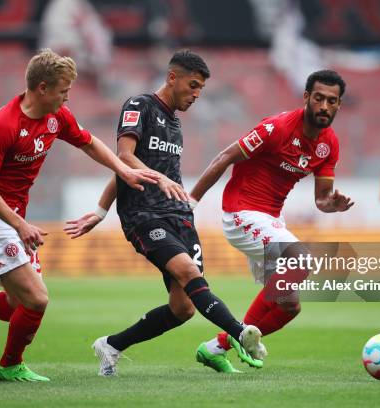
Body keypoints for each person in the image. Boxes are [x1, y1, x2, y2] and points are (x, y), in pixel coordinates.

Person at [0, 49, 160, 382]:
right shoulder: (2, 127)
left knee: (19, 306)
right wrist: (20, 224)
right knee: (37, 299)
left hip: (13, 218)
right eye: (62, 90)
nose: (67, 97)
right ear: (42, 88)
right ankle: (9, 365)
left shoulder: (57, 116)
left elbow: (88, 143)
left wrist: (122, 170)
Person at [65, 50, 266, 376]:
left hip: (179, 217)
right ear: (173, 77)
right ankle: (240, 332)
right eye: (193, 85)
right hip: (144, 215)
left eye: (201, 88)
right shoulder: (139, 105)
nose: (197, 94)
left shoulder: (174, 122)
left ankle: (112, 345)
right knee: (188, 272)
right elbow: (123, 158)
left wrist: (103, 209)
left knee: (183, 308)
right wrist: (104, 211)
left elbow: (126, 171)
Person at [186, 69, 353, 372]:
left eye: (332, 101)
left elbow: (322, 198)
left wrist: (333, 205)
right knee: (301, 261)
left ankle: (216, 347)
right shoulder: (276, 128)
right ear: (306, 98)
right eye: (319, 98)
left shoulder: (329, 144)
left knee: (289, 306)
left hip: (272, 219)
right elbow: (223, 157)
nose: (324, 106)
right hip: (240, 213)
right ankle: (241, 336)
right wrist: (190, 202)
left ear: (339, 105)